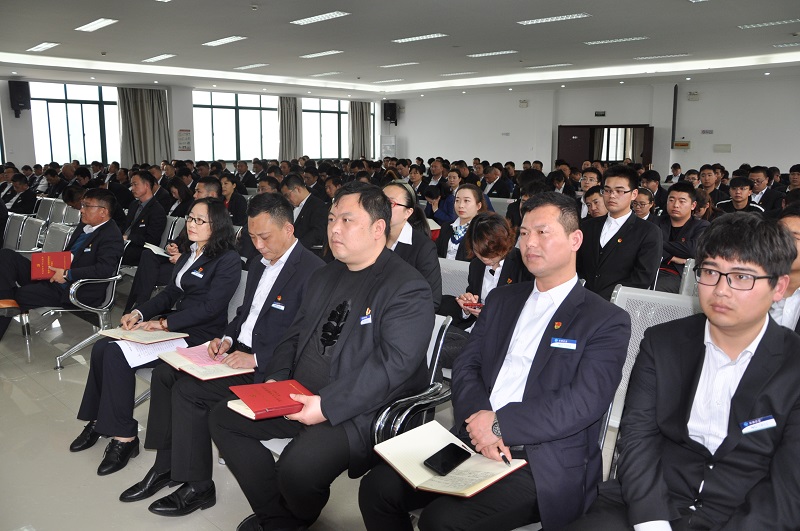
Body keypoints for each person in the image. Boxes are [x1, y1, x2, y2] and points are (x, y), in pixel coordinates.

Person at [359, 192, 631, 531]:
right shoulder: (503, 299)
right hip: (474, 437)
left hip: (540, 457)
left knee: (442, 521)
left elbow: (584, 402)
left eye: (542, 232)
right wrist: (481, 422)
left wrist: (500, 425)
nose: (530, 243)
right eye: (525, 233)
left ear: (575, 240)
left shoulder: (604, 320)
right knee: (377, 488)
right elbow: (467, 366)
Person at [209, 182, 435, 531]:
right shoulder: (325, 274)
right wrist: (275, 379)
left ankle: (294, 514)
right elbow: (294, 335)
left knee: (297, 469)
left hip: (356, 408)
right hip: (297, 392)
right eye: (331, 219)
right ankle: (280, 519)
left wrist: (326, 405)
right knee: (223, 417)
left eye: (347, 220)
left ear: (378, 227)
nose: (334, 229)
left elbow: (394, 365)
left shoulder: (406, 286)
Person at [565, 212, 800, 530]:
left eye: (742, 277)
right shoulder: (662, 342)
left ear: (779, 286)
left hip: (742, 513)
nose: (721, 290)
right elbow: (637, 439)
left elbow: (789, 483)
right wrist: (652, 522)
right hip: (652, 502)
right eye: (711, 272)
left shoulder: (793, 363)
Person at [120, 193, 325, 514]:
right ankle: (166, 464)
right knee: (165, 373)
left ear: (288, 229)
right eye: (252, 237)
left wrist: (255, 358)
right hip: (237, 352)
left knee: (189, 392)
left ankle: (198, 486)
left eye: (265, 237)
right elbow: (245, 313)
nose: (257, 245)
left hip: (269, 366)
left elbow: (306, 337)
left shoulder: (314, 272)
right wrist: (227, 339)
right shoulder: (258, 264)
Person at [70, 198, 241, 476]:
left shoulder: (227, 259)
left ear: (218, 225)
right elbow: (171, 293)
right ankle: (100, 420)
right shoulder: (190, 252)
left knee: (115, 353)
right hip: (175, 326)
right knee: (102, 347)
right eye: (190, 218)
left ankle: (125, 438)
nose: (192, 224)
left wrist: (164, 323)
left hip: (198, 335)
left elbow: (212, 307)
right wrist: (139, 312)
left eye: (200, 220)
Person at [0, 189, 124, 339]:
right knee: (6, 255)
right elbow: (70, 254)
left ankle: (6, 300)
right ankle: (5, 298)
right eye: (82, 205)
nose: (81, 210)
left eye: (87, 206)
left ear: (103, 211)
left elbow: (104, 269)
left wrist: (67, 274)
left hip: (72, 287)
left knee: (18, 295)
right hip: (54, 274)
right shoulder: (85, 226)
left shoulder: (111, 236)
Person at [577, 165, 662, 300]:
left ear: (634, 194)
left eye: (619, 191)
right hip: (583, 298)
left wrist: (606, 298)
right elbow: (576, 266)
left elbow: (642, 278)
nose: (612, 196)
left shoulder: (648, 232)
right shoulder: (587, 226)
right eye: (607, 190)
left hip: (619, 303)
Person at [445, 212, 532, 331]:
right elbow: (473, 300)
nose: (485, 259)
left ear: (505, 244)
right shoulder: (476, 265)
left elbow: (527, 312)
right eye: (478, 252)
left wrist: (490, 315)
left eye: (491, 254)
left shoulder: (523, 265)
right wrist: (467, 308)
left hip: (506, 331)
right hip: (477, 329)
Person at [383, 182, 442, 310]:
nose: (382, 207)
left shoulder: (423, 248)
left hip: (403, 314)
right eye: (379, 201)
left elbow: (432, 299)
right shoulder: (368, 239)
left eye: (390, 203)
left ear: (408, 212)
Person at [655, 181, 710, 292]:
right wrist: (672, 258)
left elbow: (692, 250)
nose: (675, 205)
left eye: (682, 201)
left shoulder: (701, 226)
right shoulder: (655, 221)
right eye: (671, 200)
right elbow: (642, 245)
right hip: (651, 268)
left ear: (693, 205)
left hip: (679, 274)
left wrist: (657, 243)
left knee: (656, 288)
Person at [122, 171, 168, 266]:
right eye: (131, 185)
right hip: (123, 243)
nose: (132, 188)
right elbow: (126, 226)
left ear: (146, 185)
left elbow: (152, 240)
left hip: (138, 250)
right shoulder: (134, 205)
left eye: (135, 185)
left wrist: (129, 237)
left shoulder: (157, 210)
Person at [436, 184, 486, 261]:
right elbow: (437, 252)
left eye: (466, 201)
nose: (461, 205)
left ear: (478, 205)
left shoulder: (483, 230)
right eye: (457, 200)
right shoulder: (446, 227)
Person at [279, 174, 328, 252]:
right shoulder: (290, 207)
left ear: (297, 189)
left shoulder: (318, 206)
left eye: (287, 195)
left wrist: (296, 247)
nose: (287, 199)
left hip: (305, 252)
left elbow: (318, 232)